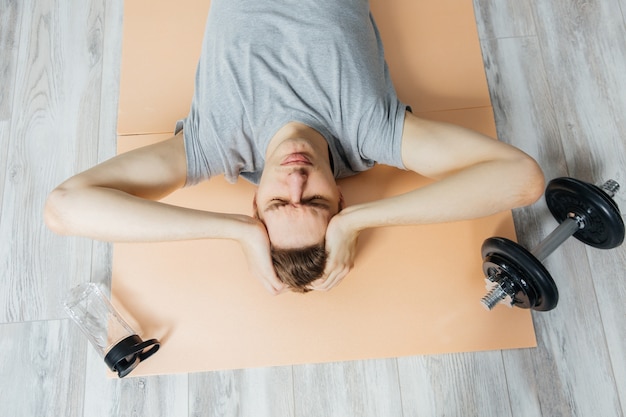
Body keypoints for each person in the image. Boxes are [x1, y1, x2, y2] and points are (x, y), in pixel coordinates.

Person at [44, 0, 545, 295]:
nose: (296, 179)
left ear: (255, 203)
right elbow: (523, 178)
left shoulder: (216, 145)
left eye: (278, 202)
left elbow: (65, 208)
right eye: (319, 203)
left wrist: (238, 233)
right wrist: (359, 222)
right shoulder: (370, 132)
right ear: (343, 198)